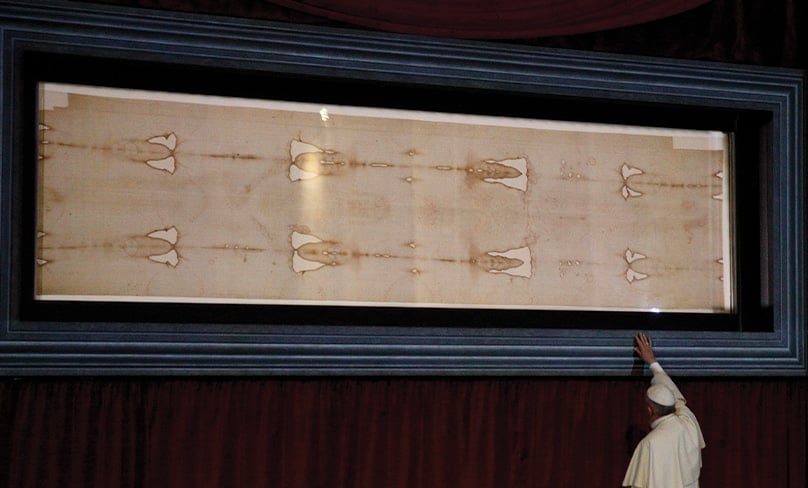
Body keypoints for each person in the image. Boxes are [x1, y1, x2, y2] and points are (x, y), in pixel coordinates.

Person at [623, 333, 706, 488]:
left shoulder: (649, 444)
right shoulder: (688, 423)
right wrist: (652, 362)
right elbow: (677, 398)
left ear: (649, 410)